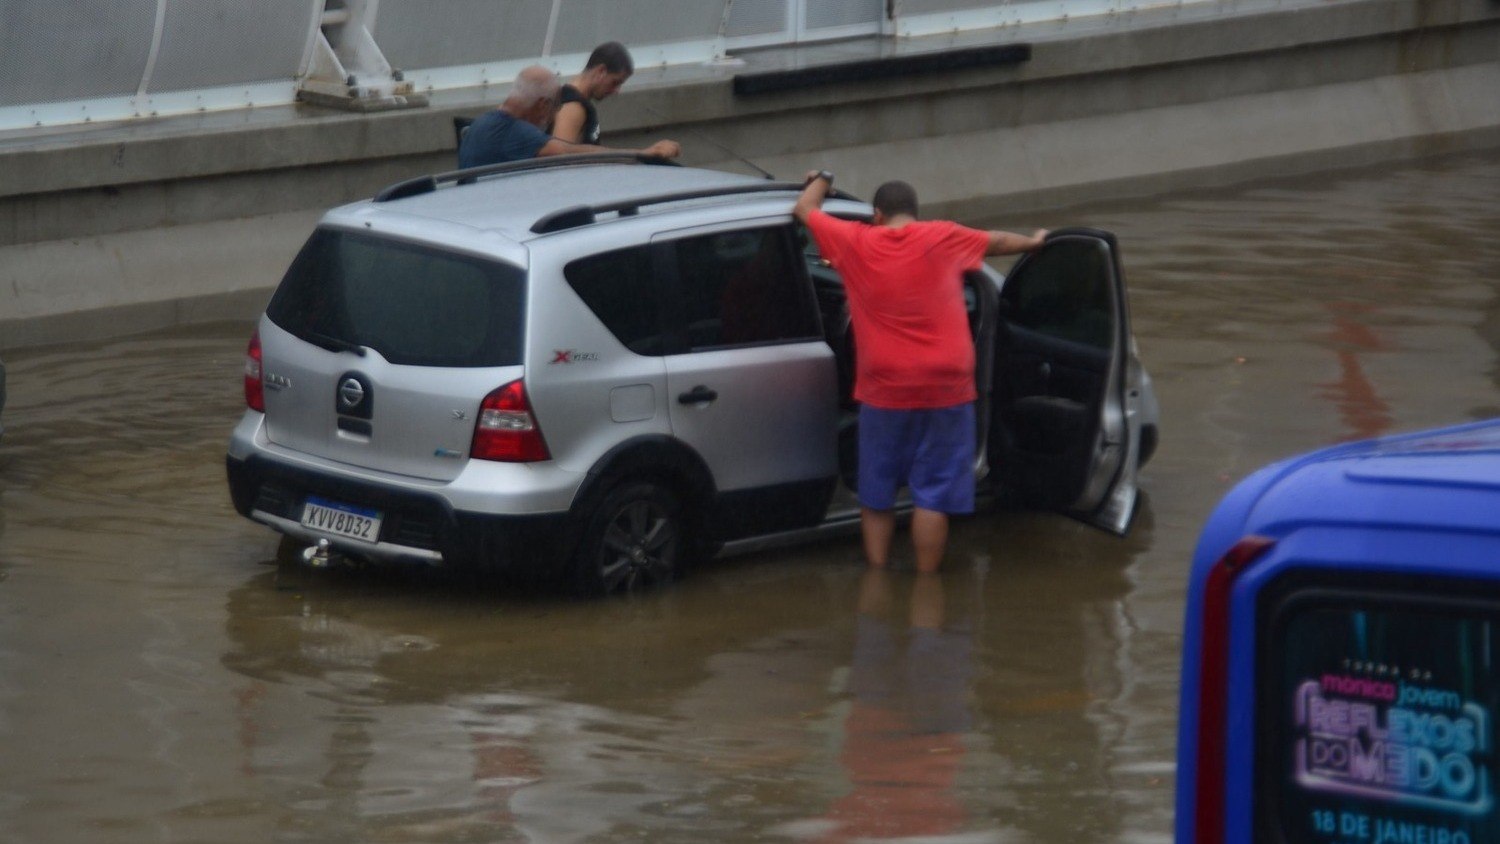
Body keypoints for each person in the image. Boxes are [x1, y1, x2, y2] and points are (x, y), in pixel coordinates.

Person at [793, 171, 1047, 573]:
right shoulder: (942, 235)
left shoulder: (855, 240)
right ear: (915, 212)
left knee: (877, 494)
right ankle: (927, 582)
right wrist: (1034, 242)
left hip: (886, 387)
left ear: (877, 215)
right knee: (933, 494)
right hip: (947, 385)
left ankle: (878, 577)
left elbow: (805, 210)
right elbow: (998, 242)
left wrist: (821, 179)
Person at [457, 65, 679, 169]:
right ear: (543, 105)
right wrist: (643, 154)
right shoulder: (517, 133)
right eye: (556, 107)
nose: (555, 115)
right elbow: (569, 153)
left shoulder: (480, 124)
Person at [551, 42, 633, 145]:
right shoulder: (573, 107)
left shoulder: (577, 103)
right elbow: (560, 152)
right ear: (601, 71)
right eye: (615, 82)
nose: (616, 91)